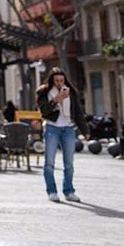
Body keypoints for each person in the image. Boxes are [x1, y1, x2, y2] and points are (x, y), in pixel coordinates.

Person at [35, 67, 91, 202]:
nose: (59, 83)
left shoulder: (71, 92)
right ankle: (52, 192)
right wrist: (56, 100)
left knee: (69, 163)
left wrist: (85, 131)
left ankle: (69, 191)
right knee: (49, 163)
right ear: (52, 81)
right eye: (56, 80)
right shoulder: (44, 92)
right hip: (52, 128)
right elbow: (43, 111)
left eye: (61, 80)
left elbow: (78, 112)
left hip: (68, 129)